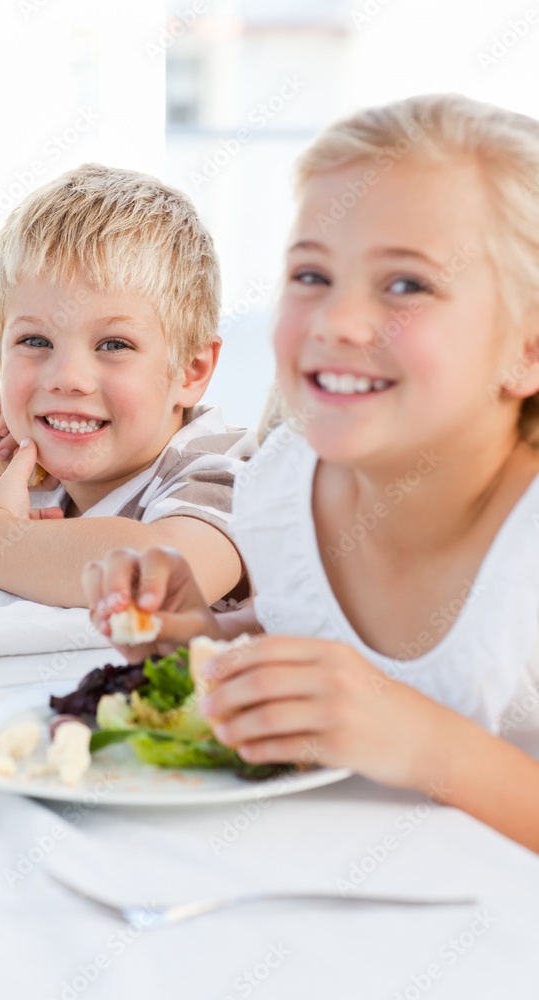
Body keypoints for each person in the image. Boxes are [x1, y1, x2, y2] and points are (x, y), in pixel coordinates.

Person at [83, 94, 539, 852]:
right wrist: (206, 637)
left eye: (407, 284)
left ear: (527, 348)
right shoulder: (286, 488)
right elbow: (314, 631)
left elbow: (407, 700)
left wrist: (428, 744)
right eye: (312, 274)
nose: (335, 320)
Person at [0, 165, 255, 608]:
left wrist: (1, 542)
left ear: (191, 371)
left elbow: (160, 578)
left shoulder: (223, 471)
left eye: (114, 345)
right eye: (36, 341)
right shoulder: (33, 476)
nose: (66, 378)